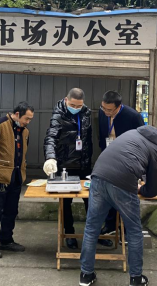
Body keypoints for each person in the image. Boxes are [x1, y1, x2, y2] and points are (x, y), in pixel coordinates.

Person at [78, 125, 157, 286]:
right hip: (122, 181)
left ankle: (86, 276)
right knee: (134, 231)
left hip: (98, 175)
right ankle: (136, 279)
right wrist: (141, 189)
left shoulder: (134, 133)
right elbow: (155, 188)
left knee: (92, 229)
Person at [43, 88, 111, 249]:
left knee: (92, 200)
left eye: (79, 105)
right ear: (66, 100)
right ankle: (69, 234)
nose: (76, 108)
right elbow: (51, 137)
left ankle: (95, 233)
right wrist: (50, 157)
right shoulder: (59, 115)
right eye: (73, 105)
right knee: (66, 203)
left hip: (84, 164)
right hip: (65, 166)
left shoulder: (86, 113)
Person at [0, 102, 35, 258]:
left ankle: (6, 240)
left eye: (30, 119)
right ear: (17, 114)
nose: (28, 122)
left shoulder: (25, 132)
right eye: (27, 118)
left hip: (16, 177)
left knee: (11, 211)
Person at [98, 90, 145, 236]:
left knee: (126, 195)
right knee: (108, 193)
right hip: (108, 158)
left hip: (127, 161)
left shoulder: (133, 116)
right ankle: (110, 225)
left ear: (119, 106)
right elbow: (101, 134)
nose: (106, 112)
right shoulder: (102, 113)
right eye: (104, 108)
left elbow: (142, 140)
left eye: (110, 110)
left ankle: (126, 229)